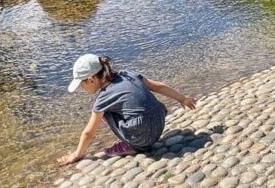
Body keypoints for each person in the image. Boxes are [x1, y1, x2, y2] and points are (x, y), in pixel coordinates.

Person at [58, 54, 197, 166]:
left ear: (91, 79)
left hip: (142, 137)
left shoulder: (104, 97)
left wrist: (76, 155)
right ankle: (138, 138)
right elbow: (159, 86)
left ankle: (132, 145)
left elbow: (89, 132)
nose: (82, 88)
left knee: (103, 112)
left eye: (81, 84)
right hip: (159, 123)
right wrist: (182, 99)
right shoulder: (128, 74)